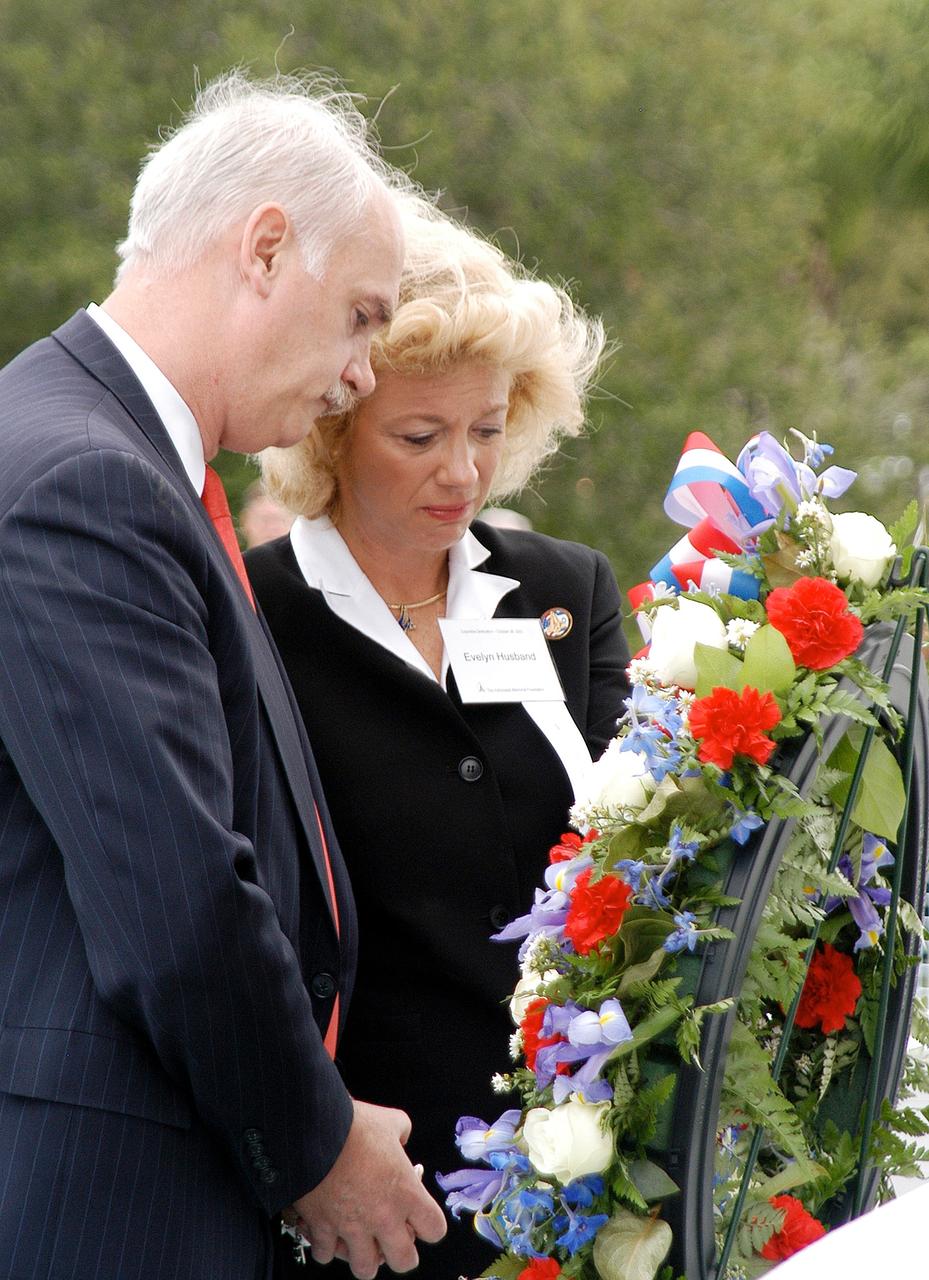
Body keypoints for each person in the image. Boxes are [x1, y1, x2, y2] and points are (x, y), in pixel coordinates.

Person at [0, 71, 447, 1280]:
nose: (363, 372)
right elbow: (177, 900)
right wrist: (319, 1145)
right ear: (262, 248)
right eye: (360, 315)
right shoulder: (80, 481)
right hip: (110, 1205)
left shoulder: (116, 460)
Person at [247, 205, 631, 1279]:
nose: (462, 470)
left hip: (581, 1166)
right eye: (419, 436)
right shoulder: (251, 613)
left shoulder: (565, 589)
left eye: (488, 427)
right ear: (330, 427)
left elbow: (627, 849)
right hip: (368, 1194)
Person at [241, 478, 296, 548]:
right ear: (245, 521)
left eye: (279, 520)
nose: (272, 527)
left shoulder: (308, 558)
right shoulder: (228, 558)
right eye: (265, 520)